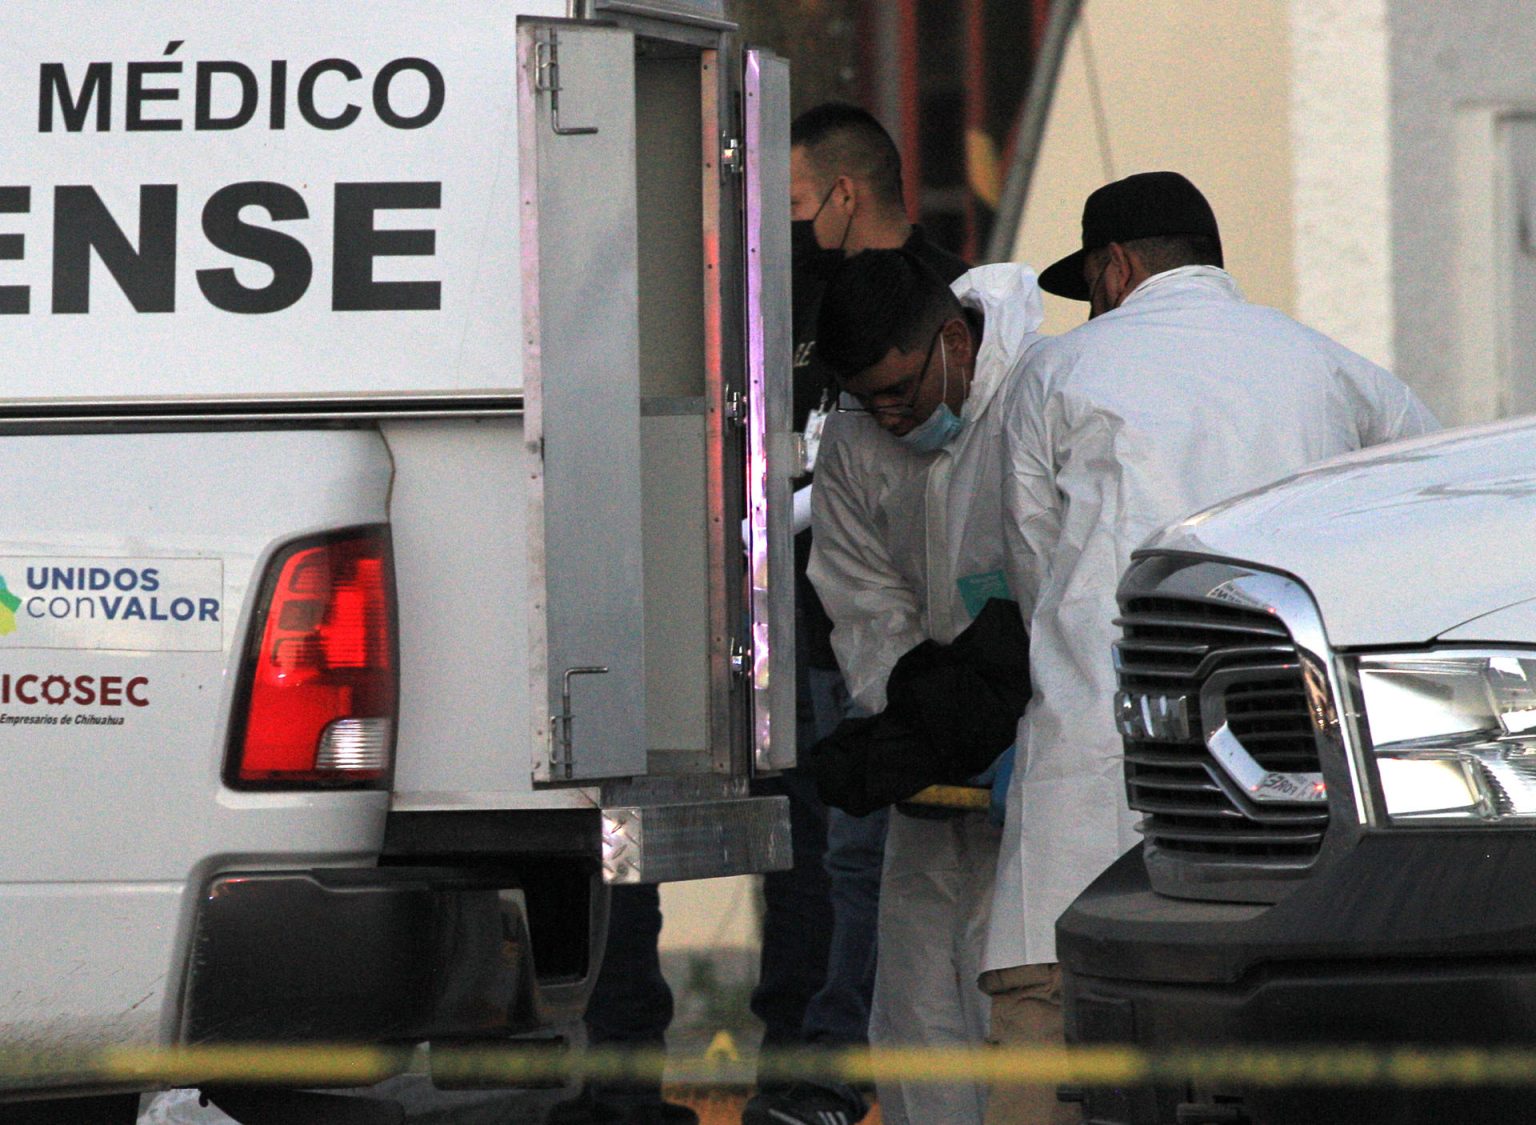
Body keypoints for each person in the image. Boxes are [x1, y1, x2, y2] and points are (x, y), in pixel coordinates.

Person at [982, 171, 1440, 1124]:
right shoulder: (1338, 370)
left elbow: (1031, 566)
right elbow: (1420, 530)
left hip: (1099, 773)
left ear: (1114, 268)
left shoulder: (1059, 373)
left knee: (1046, 1035)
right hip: (1295, 796)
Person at [743, 103, 969, 1125]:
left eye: (794, 201)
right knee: (804, 847)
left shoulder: (944, 294)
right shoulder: (778, 296)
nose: (787, 223)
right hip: (797, 610)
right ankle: (805, 1052)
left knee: (863, 849)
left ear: (843, 192)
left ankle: (838, 1063)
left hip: (906, 618)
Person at [808, 248, 1045, 1125]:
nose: (889, 413)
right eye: (868, 397)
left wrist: (1034, 733)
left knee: (1022, 1014)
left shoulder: (1041, 397)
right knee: (919, 1024)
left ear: (954, 339)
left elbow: (1075, 583)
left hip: (1049, 770)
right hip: (943, 780)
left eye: (901, 389)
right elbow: (864, 602)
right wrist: (930, 723)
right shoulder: (857, 443)